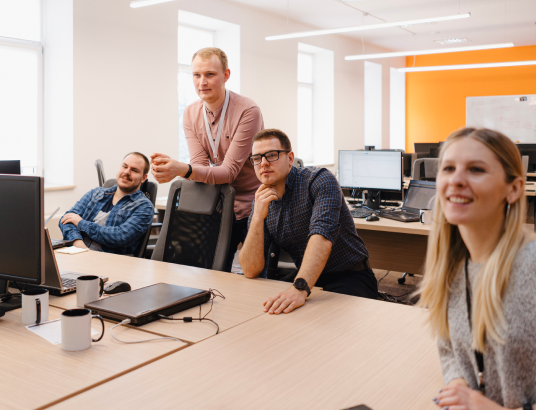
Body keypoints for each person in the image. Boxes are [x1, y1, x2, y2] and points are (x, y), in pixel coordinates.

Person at [417, 128, 536, 410]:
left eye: (476, 169)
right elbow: (449, 348)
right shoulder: (451, 265)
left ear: (514, 188)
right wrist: (458, 384)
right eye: (448, 168)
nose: (456, 180)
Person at [239, 129, 378, 315]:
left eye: (271, 155)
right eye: (257, 158)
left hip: (349, 275)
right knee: (259, 308)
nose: (263, 163)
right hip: (305, 277)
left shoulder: (319, 180)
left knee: (323, 327)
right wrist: (257, 218)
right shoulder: (261, 200)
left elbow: (321, 236)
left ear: (290, 158)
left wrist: (299, 288)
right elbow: (250, 269)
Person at [150, 47, 263, 272]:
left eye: (210, 74)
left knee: (254, 276)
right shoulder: (191, 113)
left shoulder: (248, 111)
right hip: (219, 203)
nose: (202, 81)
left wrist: (181, 169)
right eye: (196, 75)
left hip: (252, 206)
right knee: (209, 272)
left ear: (226, 75)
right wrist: (176, 168)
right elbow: (200, 166)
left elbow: (229, 172)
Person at [59, 152, 154, 256]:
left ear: (143, 178)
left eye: (134, 170)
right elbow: (66, 219)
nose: (127, 172)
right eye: (124, 166)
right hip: (78, 253)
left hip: (109, 263)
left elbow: (120, 236)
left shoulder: (145, 207)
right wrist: (79, 245)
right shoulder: (95, 193)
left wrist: (81, 223)